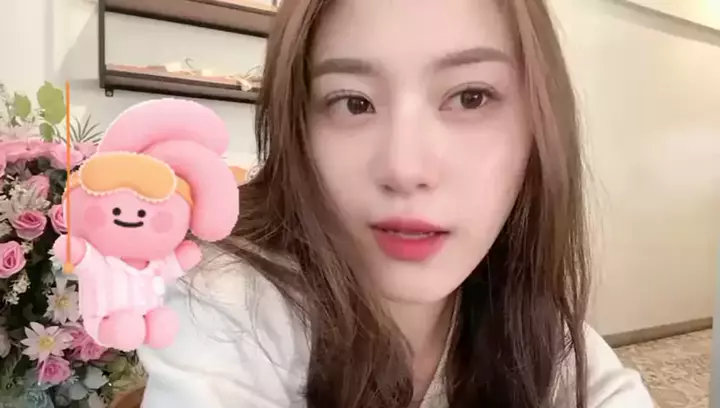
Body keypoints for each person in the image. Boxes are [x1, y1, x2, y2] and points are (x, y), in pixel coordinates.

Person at [137, 0, 655, 407]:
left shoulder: (533, 324)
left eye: (470, 97)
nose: (405, 169)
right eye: (353, 102)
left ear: (539, 127)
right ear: (299, 131)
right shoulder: (229, 303)